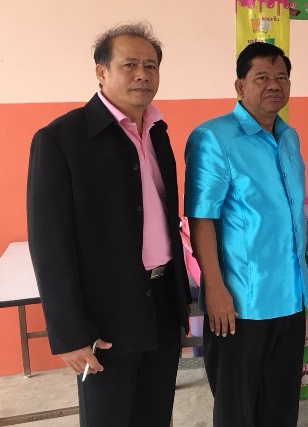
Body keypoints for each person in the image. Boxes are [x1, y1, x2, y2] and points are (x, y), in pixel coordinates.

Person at [26, 22, 191, 426]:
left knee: (155, 416)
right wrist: (69, 332)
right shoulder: (61, 139)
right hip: (105, 316)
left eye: (150, 66)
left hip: (162, 304)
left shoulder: (158, 132)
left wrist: (180, 303)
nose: (142, 75)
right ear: (101, 72)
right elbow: (49, 245)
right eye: (129, 65)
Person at [184, 41, 308, 427]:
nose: (274, 85)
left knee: (281, 404)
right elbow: (201, 219)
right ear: (240, 86)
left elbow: (293, 207)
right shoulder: (213, 138)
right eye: (262, 77)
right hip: (241, 303)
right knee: (237, 409)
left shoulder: (289, 137)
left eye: (282, 77)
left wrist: (307, 258)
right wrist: (214, 289)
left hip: (291, 296)